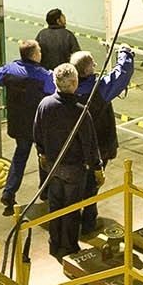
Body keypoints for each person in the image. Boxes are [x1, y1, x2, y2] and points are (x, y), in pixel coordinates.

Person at [32, 63, 101, 259]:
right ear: (73, 83)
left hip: (52, 167)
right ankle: (69, 248)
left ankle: (54, 244)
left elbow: (37, 133)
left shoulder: (44, 105)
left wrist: (43, 154)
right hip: (73, 169)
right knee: (71, 209)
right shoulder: (79, 111)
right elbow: (89, 143)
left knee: (55, 206)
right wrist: (97, 168)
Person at [71, 46, 135, 234]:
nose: (96, 65)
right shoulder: (100, 89)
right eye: (92, 64)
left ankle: (71, 220)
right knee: (92, 185)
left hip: (73, 148)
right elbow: (122, 73)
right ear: (86, 70)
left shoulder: (66, 88)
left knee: (76, 184)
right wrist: (125, 53)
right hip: (99, 147)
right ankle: (88, 222)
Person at [0, 39, 54, 216]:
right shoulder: (44, 75)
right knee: (44, 155)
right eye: (40, 51)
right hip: (38, 124)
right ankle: (45, 190)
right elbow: (52, 91)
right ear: (35, 55)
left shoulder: (8, 69)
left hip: (18, 122)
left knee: (20, 156)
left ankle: (9, 192)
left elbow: (0, 78)